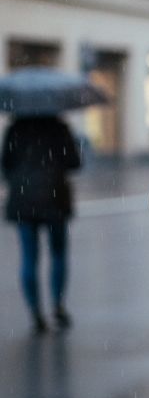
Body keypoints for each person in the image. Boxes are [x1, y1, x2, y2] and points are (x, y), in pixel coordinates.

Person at [2, 113, 80, 332]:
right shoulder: (59, 127)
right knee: (58, 253)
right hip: (54, 198)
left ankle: (35, 311)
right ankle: (58, 305)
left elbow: (5, 165)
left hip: (24, 199)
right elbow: (74, 162)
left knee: (29, 257)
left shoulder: (15, 129)